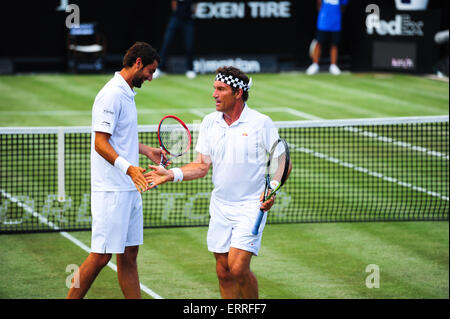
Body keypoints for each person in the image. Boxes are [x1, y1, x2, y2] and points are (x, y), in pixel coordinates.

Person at [145, 66, 292, 299]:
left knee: (238, 267)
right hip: (220, 207)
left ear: (238, 94)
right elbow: (202, 166)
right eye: (214, 88)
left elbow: (282, 160)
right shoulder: (209, 122)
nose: (214, 94)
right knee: (223, 271)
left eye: (221, 89)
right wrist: (172, 173)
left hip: (250, 207)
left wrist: (272, 189)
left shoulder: (260, 122)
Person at [67, 41, 163, 299]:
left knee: (129, 255)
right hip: (111, 190)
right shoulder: (111, 95)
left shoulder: (127, 93)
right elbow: (100, 143)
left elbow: (121, 137)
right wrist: (130, 168)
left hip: (129, 189)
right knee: (100, 256)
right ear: (138, 63)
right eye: (150, 71)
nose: (151, 78)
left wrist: (145, 151)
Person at [154, 0, 197, 79]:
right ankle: (159, 69)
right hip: (176, 19)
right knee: (166, 44)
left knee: (189, 46)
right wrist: (178, 13)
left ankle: (190, 69)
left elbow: (195, 6)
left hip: (188, 20)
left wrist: (188, 14)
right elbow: (174, 4)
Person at [306, 0, 348, 75]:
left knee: (334, 44)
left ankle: (333, 65)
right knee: (318, 42)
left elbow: (343, 6)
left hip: (336, 23)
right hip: (323, 22)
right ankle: (315, 64)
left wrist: (336, 15)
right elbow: (318, 3)